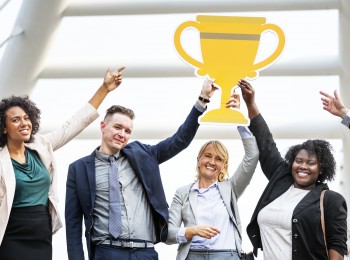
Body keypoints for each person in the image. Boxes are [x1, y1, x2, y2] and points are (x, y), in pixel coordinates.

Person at [64, 79, 218, 260]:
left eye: (128, 131)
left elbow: (180, 140)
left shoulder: (143, 155)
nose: (122, 134)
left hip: (144, 252)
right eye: (118, 127)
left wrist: (202, 100)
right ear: (103, 126)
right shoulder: (79, 169)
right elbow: (73, 224)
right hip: (107, 252)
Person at [0, 66, 126, 260]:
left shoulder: (42, 146)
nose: (24, 123)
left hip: (41, 231)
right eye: (15, 120)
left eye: (26, 118)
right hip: (10, 233)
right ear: (4, 128)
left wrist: (105, 89)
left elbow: (74, 124)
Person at [238, 79, 348, 260]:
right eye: (299, 161)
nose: (303, 166)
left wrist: (345, 113)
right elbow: (266, 144)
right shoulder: (281, 179)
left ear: (321, 169)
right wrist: (250, 103)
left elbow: (337, 243)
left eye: (311, 163)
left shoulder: (330, 200)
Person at [165, 92, 259, 260]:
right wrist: (191, 230)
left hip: (226, 256)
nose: (212, 162)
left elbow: (252, 156)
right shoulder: (183, 193)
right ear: (199, 159)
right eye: (208, 156)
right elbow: (168, 234)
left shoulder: (230, 188)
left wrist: (239, 120)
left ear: (224, 166)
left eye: (219, 159)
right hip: (192, 255)